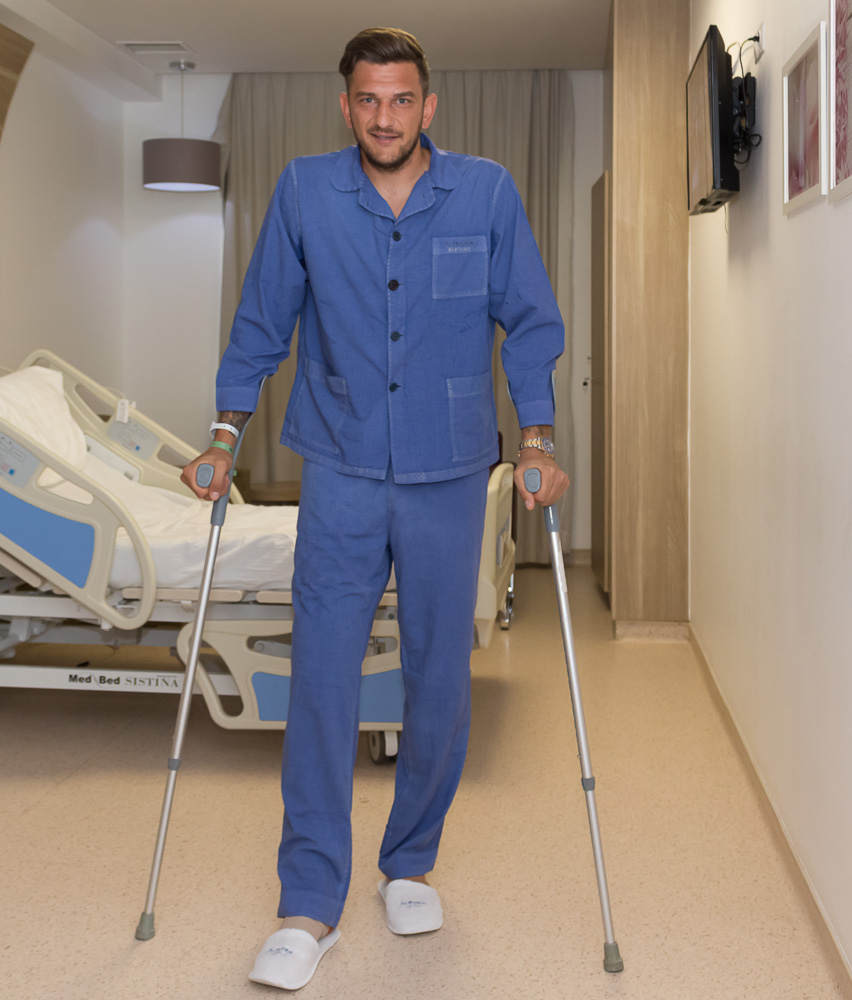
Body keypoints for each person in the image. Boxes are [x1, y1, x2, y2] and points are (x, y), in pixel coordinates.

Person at [181, 27, 570, 991]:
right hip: (342, 464)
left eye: (401, 100)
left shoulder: (485, 192)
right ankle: (309, 901)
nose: (385, 117)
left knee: (439, 674)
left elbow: (529, 321)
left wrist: (538, 439)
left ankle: (410, 863)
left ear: (427, 106)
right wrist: (225, 433)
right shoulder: (306, 191)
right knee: (322, 676)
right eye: (368, 100)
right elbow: (263, 319)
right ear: (346, 105)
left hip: (448, 469)